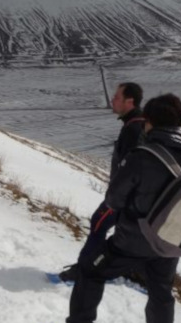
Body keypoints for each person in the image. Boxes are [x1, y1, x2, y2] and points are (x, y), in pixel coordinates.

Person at [51, 94, 181, 323]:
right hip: (170, 241)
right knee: (161, 293)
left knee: (90, 270)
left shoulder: (144, 155)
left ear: (151, 121)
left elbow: (115, 198)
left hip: (133, 240)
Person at [58, 83, 145, 282]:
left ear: (129, 101)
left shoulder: (133, 129)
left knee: (98, 222)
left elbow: (132, 168)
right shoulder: (140, 124)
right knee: (128, 233)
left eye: (117, 97)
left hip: (124, 197)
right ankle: (135, 272)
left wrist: (118, 197)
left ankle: (83, 270)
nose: (112, 100)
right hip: (136, 198)